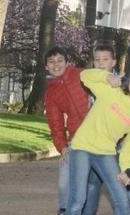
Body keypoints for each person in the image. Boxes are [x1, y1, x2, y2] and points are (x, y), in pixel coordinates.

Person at [67, 68, 130, 215]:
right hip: (82, 147)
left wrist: (126, 172)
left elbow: (129, 149)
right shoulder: (112, 91)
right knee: (78, 200)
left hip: (105, 153)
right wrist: (107, 77)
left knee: (122, 200)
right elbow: (84, 76)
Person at [44, 47, 100, 215]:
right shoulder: (51, 93)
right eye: (51, 62)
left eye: (60, 60)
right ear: (46, 67)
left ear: (67, 63)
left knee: (96, 182)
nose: (56, 65)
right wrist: (62, 148)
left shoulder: (82, 74)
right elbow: (56, 124)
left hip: (101, 134)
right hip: (77, 139)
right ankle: (64, 210)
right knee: (64, 180)